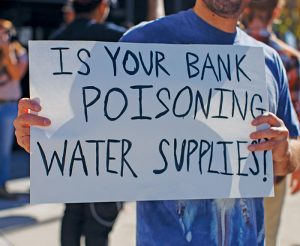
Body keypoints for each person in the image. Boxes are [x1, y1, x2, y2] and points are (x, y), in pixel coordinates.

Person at [14, 0, 300, 245]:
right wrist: (40, 136)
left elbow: (293, 149)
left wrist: (285, 151)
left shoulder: (267, 61)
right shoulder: (144, 43)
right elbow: (87, 132)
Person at [51, 0, 126, 245]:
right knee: (99, 223)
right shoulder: (117, 37)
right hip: (105, 145)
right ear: (103, 6)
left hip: (66, 140)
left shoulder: (55, 39)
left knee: (72, 210)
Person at [241, 1, 300, 245]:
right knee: (266, 237)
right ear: (276, 11)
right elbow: (296, 118)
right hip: (273, 171)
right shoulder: (288, 57)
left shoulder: (221, 51)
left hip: (225, 170)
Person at [0, 19, 28, 199]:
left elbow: (16, 74)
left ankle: (2, 185)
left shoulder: (20, 53)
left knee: (4, 151)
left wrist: (6, 50)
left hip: (9, 106)